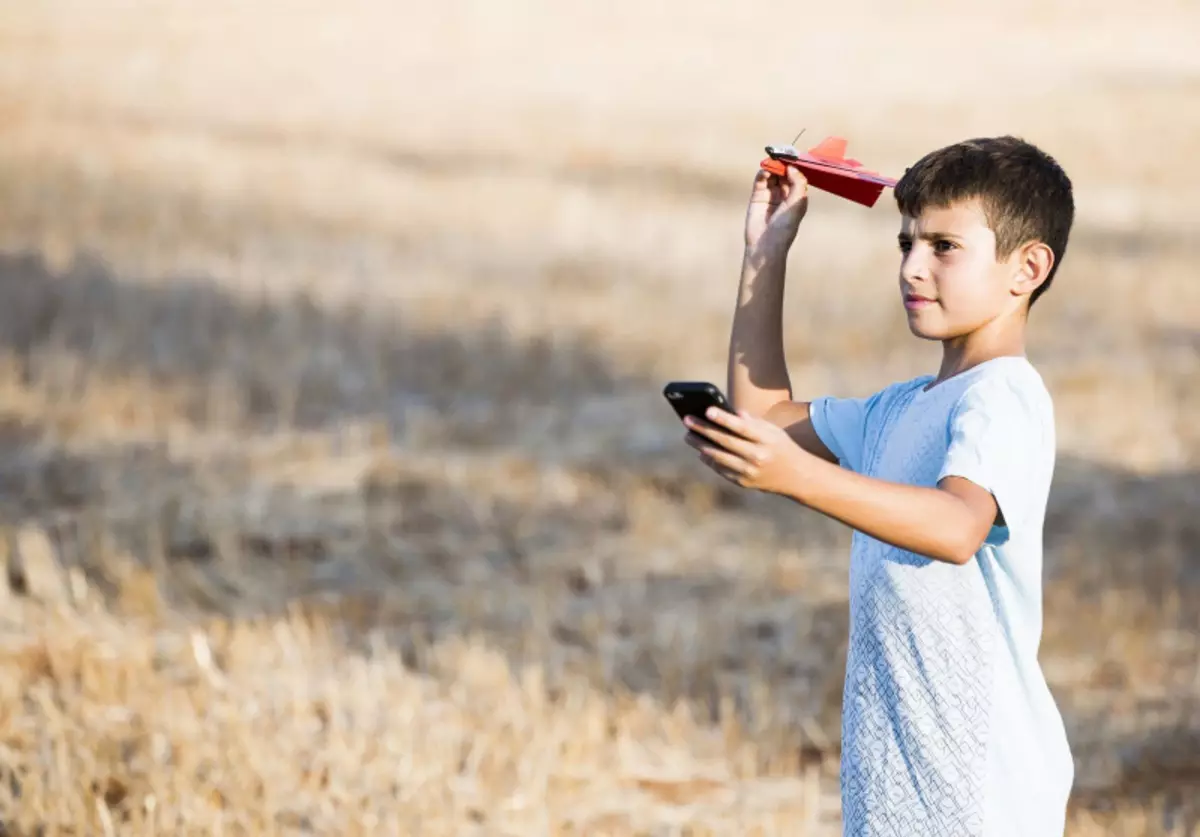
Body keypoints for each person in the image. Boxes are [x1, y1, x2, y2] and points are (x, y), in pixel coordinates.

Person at [681, 136, 1076, 836]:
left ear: (1028, 267)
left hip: (980, 795)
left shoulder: (1005, 395)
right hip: (894, 787)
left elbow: (958, 526)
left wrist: (798, 476)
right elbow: (764, 417)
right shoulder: (899, 409)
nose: (913, 267)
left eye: (945, 247)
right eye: (906, 243)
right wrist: (766, 252)